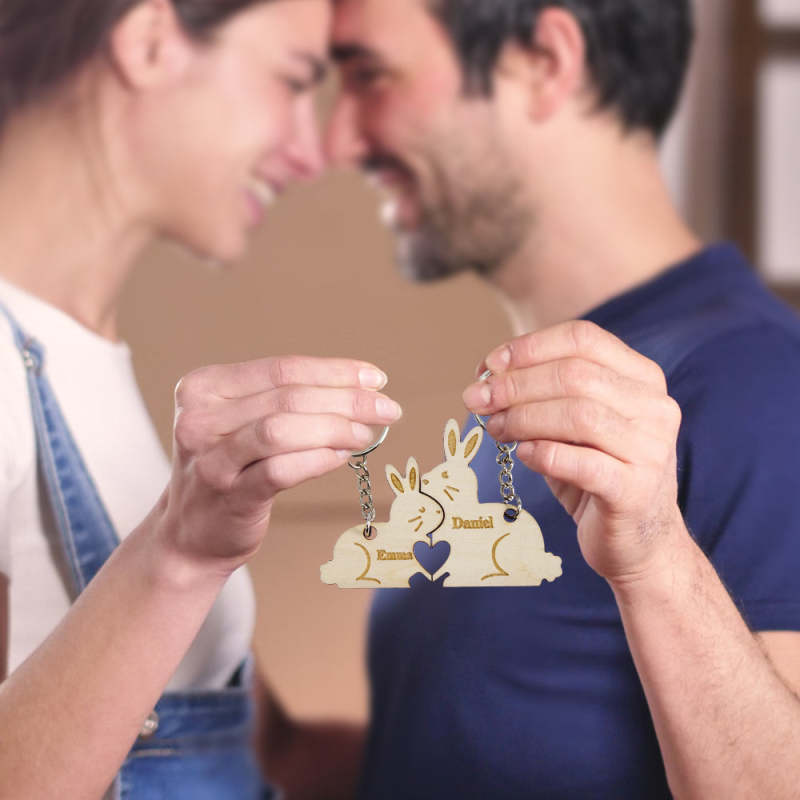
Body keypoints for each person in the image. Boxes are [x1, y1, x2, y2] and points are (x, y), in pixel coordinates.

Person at [268, 0, 800, 797]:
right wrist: (255, 728)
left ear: (546, 61)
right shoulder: (552, 391)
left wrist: (657, 562)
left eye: (370, 75)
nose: (338, 139)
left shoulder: (760, 388)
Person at [0, 1, 403, 798]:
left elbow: (263, 754)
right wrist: (178, 558)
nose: (312, 153)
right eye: (293, 80)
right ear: (150, 42)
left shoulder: (88, 359)